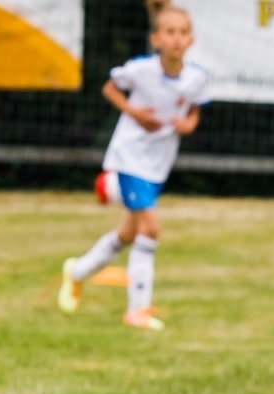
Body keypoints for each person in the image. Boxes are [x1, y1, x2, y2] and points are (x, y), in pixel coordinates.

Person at [56, 6, 208, 331]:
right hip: (129, 157)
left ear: (191, 40)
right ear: (156, 39)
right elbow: (110, 87)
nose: (176, 39)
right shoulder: (140, 70)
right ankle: (137, 310)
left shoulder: (196, 78)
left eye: (182, 32)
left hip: (158, 164)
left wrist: (188, 125)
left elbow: (194, 112)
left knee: (127, 234)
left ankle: (77, 272)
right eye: (169, 32)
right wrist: (133, 111)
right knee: (149, 229)